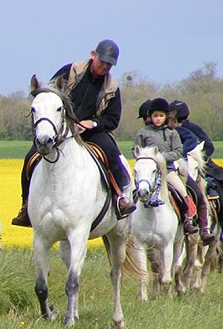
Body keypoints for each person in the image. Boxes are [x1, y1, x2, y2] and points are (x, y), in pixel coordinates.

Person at [12, 39, 136, 227]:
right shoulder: (70, 71)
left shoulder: (112, 87)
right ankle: (26, 205)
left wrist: (92, 123)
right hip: (61, 129)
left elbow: (112, 119)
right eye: (102, 61)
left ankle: (119, 198)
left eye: (109, 64)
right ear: (93, 55)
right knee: (30, 157)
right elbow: (49, 93)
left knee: (111, 153)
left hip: (90, 131)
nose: (105, 66)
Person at [133, 98, 212, 242]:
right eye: (155, 116)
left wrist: (161, 157)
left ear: (166, 117)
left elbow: (178, 152)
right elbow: (135, 150)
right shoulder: (143, 133)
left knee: (182, 192)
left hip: (168, 171)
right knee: (133, 193)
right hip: (147, 171)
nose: (158, 119)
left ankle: (187, 220)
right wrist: (146, 158)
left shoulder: (172, 133)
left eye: (161, 116)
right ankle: (127, 222)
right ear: (150, 117)